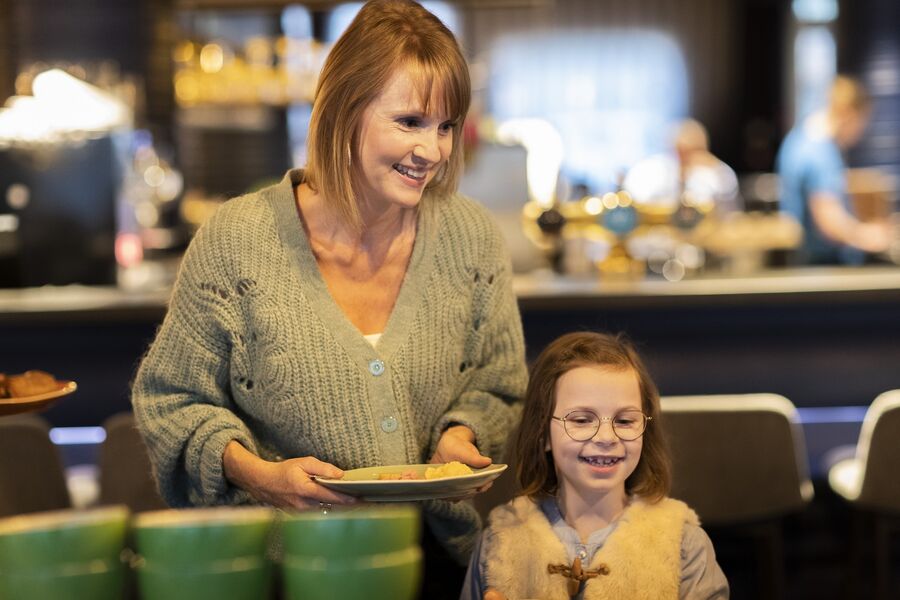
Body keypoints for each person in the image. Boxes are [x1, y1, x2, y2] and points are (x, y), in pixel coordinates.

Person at [131, 1, 528, 597]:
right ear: (345, 109)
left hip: (438, 563)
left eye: (446, 126)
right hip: (282, 567)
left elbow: (496, 380)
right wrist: (260, 475)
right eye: (411, 121)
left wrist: (461, 437)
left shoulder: (469, 237)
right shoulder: (239, 240)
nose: (435, 150)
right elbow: (172, 402)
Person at [461, 331, 729, 599]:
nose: (606, 437)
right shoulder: (499, 544)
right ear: (543, 433)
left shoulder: (684, 545)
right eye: (581, 420)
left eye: (625, 421)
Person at [776, 75, 891, 264]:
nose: (860, 132)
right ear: (849, 113)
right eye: (862, 122)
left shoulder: (797, 138)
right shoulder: (821, 153)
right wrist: (870, 236)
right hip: (824, 265)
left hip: (802, 259)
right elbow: (829, 223)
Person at [623, 118, 740, 216]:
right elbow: (633, 201)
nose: (687, 156)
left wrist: (716, 166)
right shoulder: (651, 171)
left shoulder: (712, 174)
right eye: (682, 150)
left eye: (696, 150)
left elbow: (730, 210)